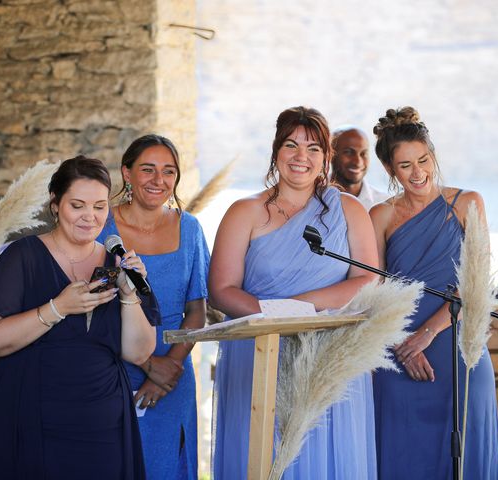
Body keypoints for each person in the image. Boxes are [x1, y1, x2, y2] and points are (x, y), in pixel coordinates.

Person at [209, 106, 379, 479]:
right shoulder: (244, 211)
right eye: (291, 145)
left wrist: (298, 309)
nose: (302, 157)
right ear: (276, 152)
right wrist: (274, 316)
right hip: (259, 348)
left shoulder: (350, 210)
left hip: (328, 352)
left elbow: (368, 280)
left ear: (326, 158)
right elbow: (221, 291)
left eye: (314, 148)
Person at [0, 156, 157, 479]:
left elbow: (139, 352)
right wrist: (57, 308)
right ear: (55, 204)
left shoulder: (117, 262)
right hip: (28, 417)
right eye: (77, 205)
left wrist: (129, 295)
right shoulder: (23, 257)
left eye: (99, 207)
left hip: (103, 425)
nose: (89, 217)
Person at [369, 107, 498, 479]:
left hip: (457, 345)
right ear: (389, 170)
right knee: (403, 454)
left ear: (433, 155)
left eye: (424, 160)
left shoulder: (468, 203)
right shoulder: (379, 216)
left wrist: (427, 333)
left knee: (466, 451)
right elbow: (373, 291)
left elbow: (477, 283)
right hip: (399, 353)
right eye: (405, 165)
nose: (418, 173)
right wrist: (402, 344)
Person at [97, 135, 209, 480]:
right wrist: (148, 364)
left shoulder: (189, 229)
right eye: (148, 169)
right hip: (110, 368)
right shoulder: (100, 226)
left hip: (174, 378)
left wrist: (168, 370)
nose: (158, 181)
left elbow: (197, 310)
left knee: (168, 466)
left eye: (169, 172)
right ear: (127, 173)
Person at [330, 126, 387, 209]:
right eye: (349, 152)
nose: (357, 162)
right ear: (330, 154)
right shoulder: (311, 197)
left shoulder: (384, 204)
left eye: (363, 154)